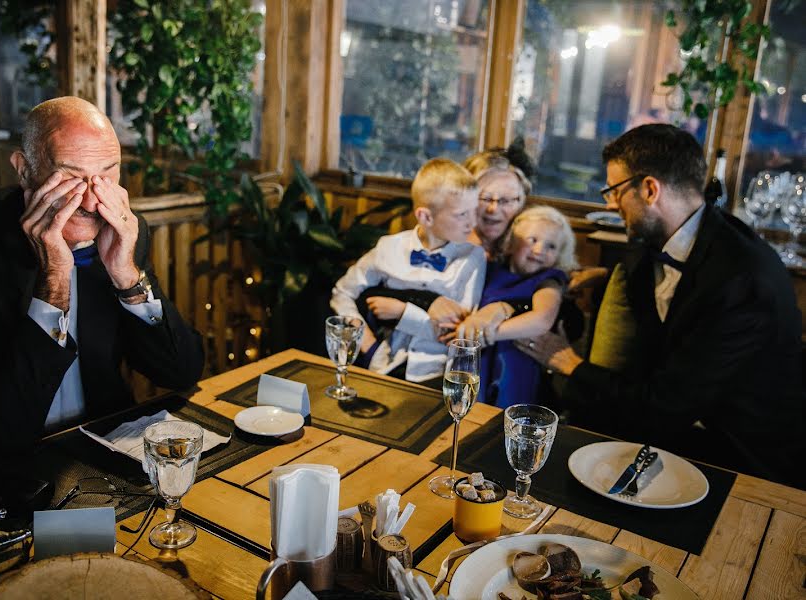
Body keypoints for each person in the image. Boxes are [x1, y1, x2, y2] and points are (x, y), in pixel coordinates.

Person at [0, 97, 205, 465]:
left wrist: (126, 276)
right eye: (72, 176)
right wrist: (54, 280)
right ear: (23, 169)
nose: (94, 201)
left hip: (101, 449)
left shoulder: (124, 230)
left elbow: (180, 372)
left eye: (107, 174)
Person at [515, 123, 804, 486]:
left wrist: (570, 363)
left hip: (740, 458)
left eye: (615, 190)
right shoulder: (676, 238)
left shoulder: (742, 281)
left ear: (650, 189)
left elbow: (666, 407)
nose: (609, 202)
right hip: (675, 428)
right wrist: (604, 281)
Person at [330, 158, 485, 384]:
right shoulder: (388, 247)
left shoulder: (472, 258)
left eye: (474, 211)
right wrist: (368, 344)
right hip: (381, 366)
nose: (472, 222)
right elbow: (342, 293)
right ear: (425, 216)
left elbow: (457, 334)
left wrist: (404, 313)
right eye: (462, 214)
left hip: (438, 376)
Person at [449, 206, 578, 408]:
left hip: (515, 364)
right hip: (477, 362)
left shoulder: (549, 280)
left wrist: (485, 334)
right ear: (510, 243)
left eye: (551, 246)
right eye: (532, 240)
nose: (540, 250)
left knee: (506, 414)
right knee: (466, 410)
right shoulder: (490, 270)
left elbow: (542, 320)